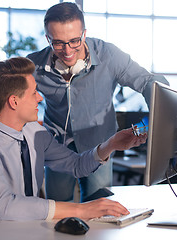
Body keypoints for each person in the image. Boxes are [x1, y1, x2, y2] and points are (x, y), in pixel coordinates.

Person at [0, 57, 147, 221]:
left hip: (26, 228)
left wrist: (111, 144)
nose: (40, 98)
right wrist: (81, 209)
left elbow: (75, 165)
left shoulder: (33, 132)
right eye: (33, 93)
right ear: (14, 101)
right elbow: (3, 206)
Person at [26, 2, 169, 202]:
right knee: (57, 211)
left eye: (74, 41)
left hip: (101, 145)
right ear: (47, 38)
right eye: (58, 43)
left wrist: (160, 113)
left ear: (84, 34)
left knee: (99, 209)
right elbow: (7, 97)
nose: (67, 51)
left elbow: (146, 81)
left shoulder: (109, 55)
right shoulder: (34, 65)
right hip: (57, 149)